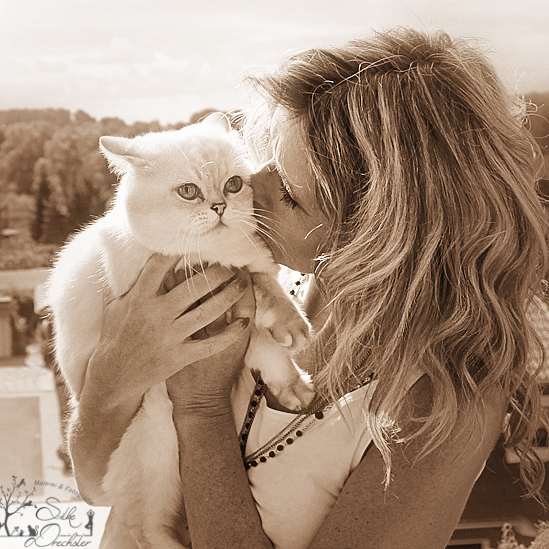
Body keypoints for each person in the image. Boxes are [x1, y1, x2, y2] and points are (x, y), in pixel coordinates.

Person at [67, 27, 548, 548]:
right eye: (266, 162)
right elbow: (96, 487)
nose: (252, 188)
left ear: (376, 233)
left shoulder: (444, 404)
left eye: (290, 194)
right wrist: (113, 375)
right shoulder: (255, 279)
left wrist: (201, 407)